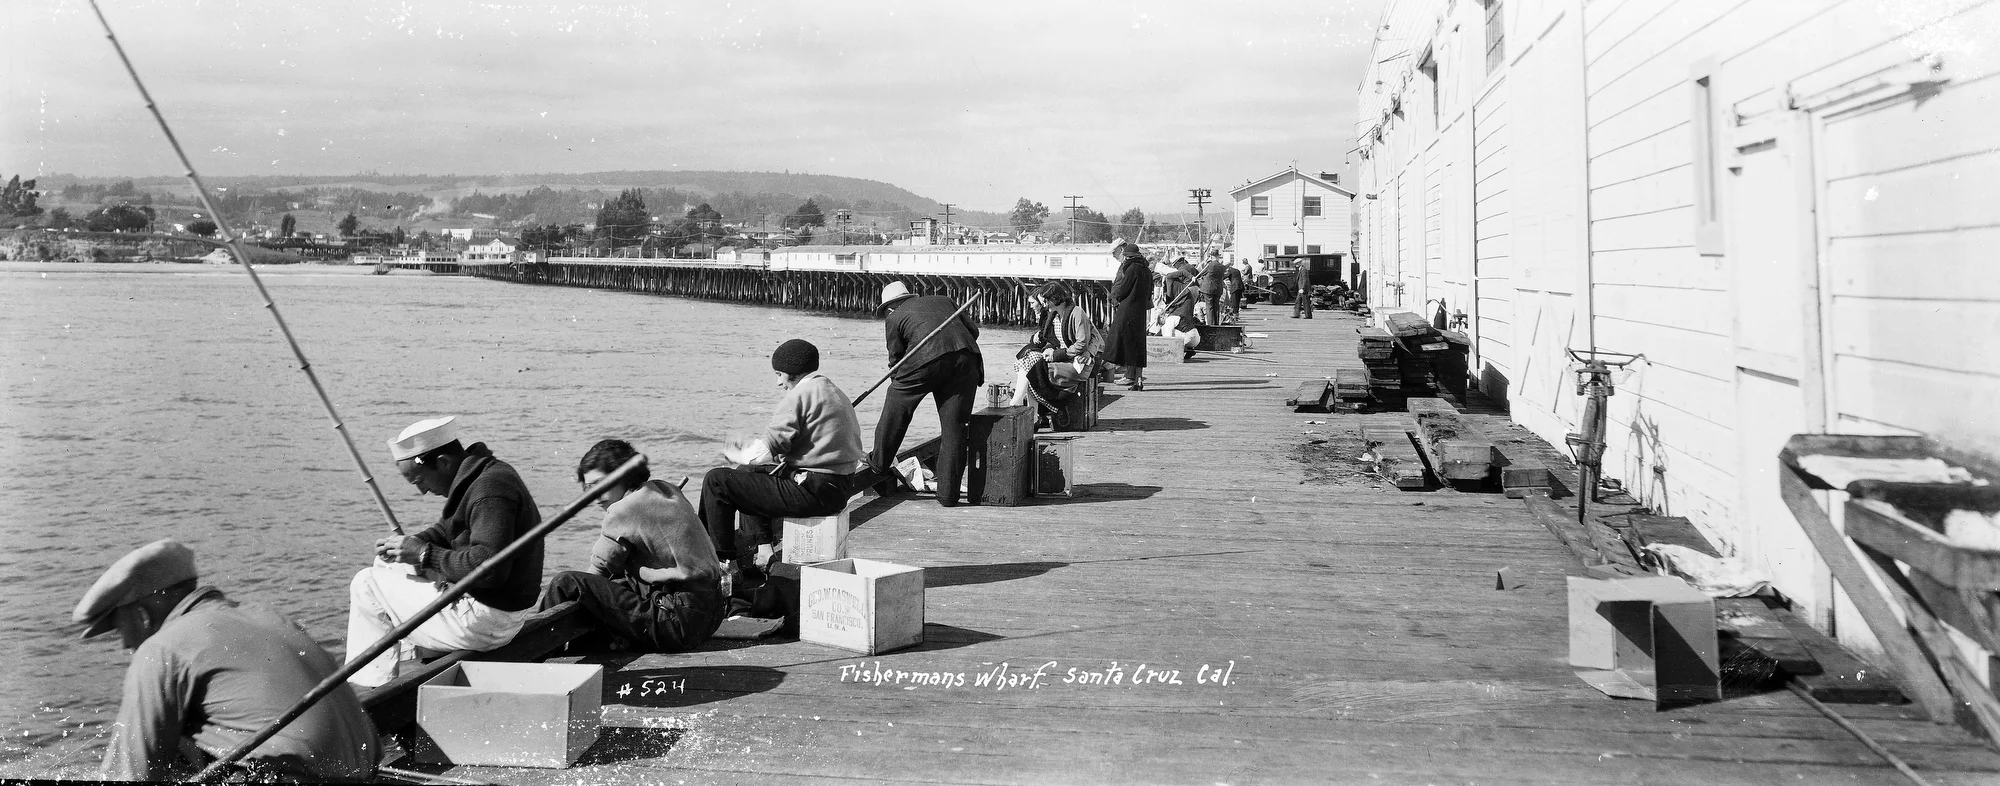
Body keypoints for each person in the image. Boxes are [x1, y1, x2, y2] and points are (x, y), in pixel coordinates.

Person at [76, 540, 376, 782]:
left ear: (141, 615)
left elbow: (131, 774)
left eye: (119, 629)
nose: (126, 643)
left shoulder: (163, 648)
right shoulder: (267, 616)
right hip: (364, 769)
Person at [346, 416, 543, 687]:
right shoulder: (482, 475)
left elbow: (489, 570)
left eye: (419, 480)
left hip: (486, 622)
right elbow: (447, 531)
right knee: (387, 566)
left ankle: (371, 689)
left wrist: (424, 554)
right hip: (496, 614)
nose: (422, 491)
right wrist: (408, 545)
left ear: (443, 462)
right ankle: (407, 655)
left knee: (365, 583)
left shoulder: (489, 490)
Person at [540, 439, 726, 653]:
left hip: (677, 623)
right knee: (617, 584)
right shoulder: (665, 490)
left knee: (567, 583)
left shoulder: (624, 509)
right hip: (709, 615)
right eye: (590, 487)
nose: (595, 494)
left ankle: (533, 654)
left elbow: (597, 571)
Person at [700, 339, 867, 574]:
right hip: (838, 487)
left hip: (813, 491)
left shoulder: (799, 396)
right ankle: (764, 549)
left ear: (792, 373)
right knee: (746, 475)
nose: (779, 382)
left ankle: (721, 565)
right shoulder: (833, 391)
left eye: (780, 374)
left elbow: (763, 451)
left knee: (717, 480)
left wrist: (735, 453)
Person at [871, 281, 982, 503]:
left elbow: (896, 359)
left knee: (896, 402)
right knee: (955, 428)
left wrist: (900, 387)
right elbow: (974, 332)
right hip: (966, 358)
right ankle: (948, 495)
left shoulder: (894, 317)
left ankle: (879, 463)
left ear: (890, 307)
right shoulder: (944, 301)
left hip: (924, 360)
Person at [1007, 282, 1103, 426]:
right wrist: (1049, 349)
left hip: (1078, 364)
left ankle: (1028, 405)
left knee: (1033, 370)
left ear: (1055, 298)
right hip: (1065, 360)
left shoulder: (1077, 313)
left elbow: (1081, 344)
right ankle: (1030, 411)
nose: (1044, 304)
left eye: (1045, 300)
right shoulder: (1055, 315)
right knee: (1029, 359)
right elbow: (1054, 340)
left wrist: (1056, 355)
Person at [1197, 253, 1228, 326]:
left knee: (1209, 307)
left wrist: (1202, 263)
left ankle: (1211, 325)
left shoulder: (1209, 265)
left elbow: (1201, 273)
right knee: (1216, 307)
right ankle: (1216, 324)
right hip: (1217, 289)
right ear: (1218, 256)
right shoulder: (1222, 267)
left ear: (1211, 256)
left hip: (1208, 288)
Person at [1221, 253, 1245, 323]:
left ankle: (1234, 316)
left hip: (1235, 287)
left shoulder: (1229, 270)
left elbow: (1224, 277)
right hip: (1240, 287)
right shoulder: (1237, 270)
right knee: (1237, 301)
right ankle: (1237, 315)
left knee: (1233, 301)